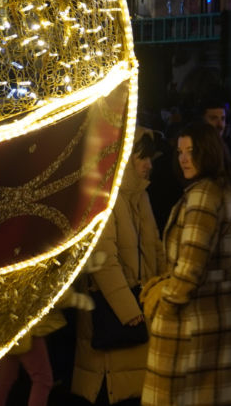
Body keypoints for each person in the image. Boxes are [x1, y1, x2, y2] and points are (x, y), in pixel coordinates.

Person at [142, 121, 231, 405]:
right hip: (227, 312)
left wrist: (164, 305)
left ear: (207, 151)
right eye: (180, 151)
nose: (183, 158)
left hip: (195, 321)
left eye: (190, 151)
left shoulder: (203, 195)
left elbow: (190, 268)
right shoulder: (229, 190)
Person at [72, 133, 167, 406]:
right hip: (116, 312)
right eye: (142, 158)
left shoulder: (140, 196)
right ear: (125, 158)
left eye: (150, 158)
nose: (149, 164)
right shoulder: (105, 198)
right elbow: (104, 261)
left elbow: (155, 246)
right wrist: (129, 311)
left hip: (140, 306)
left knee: (134, 388)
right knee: (112, 386)